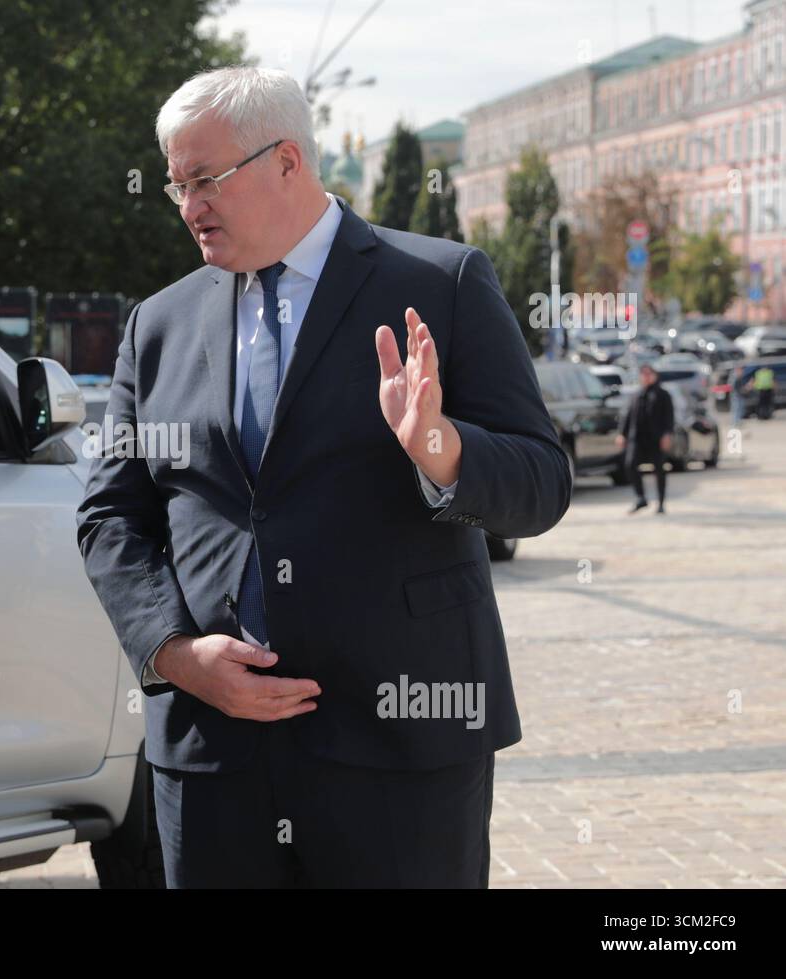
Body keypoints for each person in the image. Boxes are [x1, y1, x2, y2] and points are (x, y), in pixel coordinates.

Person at [76, 67, 572, 888]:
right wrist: (174, 652)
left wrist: (439, 446)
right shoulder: (157, 322)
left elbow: (543, 480)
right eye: (175, 184)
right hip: (213, 752)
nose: (189, 204)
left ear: (288, 162)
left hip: (401, 742)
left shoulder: (438, 283)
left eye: (206, 179)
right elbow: (110, 515)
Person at [617, 363, 675, 515]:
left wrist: (667, 434)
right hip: (637, 438)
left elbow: (669, 417)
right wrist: (622, 434)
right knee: (630, 465)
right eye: (644, 374)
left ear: (655, 376)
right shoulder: (637, 395)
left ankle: (661, 503)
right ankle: (641, 497)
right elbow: (628, 416)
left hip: (656, 438)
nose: (646, 377)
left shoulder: (663, 394)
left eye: (649, 374)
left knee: (659, 470)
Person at [729, 364, 745, 430]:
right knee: (736, 409)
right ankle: (735, 423)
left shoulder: (737, 376)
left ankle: (737, 422)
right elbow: (734, 387)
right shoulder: (735, 377)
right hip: (736, 395)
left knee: (739, 409)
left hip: (738, 395)